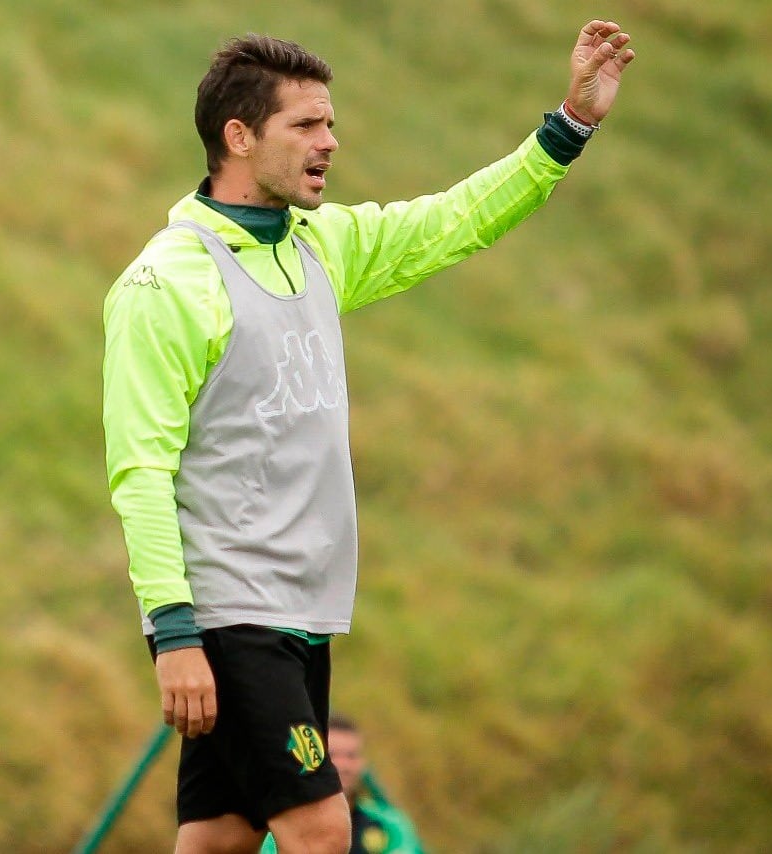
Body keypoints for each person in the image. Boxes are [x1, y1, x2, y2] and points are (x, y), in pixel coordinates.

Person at [101, 20, 634, 854]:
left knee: (218, 840)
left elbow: (454, 222)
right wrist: (173, 633)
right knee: (322, 833)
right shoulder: (165, 282)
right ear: (238, 137)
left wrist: (567, 128)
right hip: (230, 615)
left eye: (331, 123)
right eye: (305, 127)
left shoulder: (323, 244)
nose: (331, 142)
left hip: (302, 613)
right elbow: (140, 470)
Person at [261, 716, 427, 854]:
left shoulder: (389, 823)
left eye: (351, 756)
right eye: (333, 754)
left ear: (363, 763)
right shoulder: (281, 828)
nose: (344, 765)